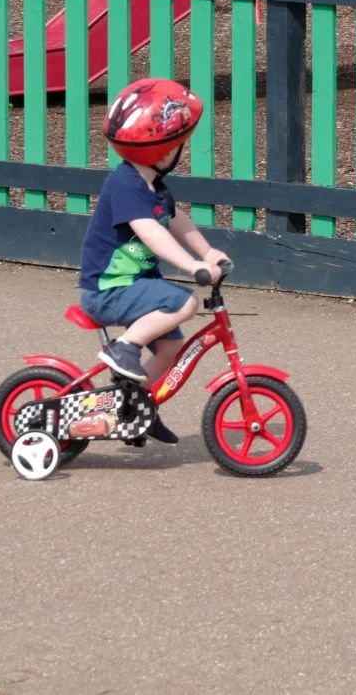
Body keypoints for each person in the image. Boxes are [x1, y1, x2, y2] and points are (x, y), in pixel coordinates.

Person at [77, 78, 231, 444]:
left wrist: (207, 253)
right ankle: (125, 348)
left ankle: (135, 409)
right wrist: (192, 267)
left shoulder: (153, 187)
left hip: (135, 288)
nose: (183, 150)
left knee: (171, 348)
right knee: (184, 302)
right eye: (181, 144)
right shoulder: (126, 185)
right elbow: (151, 232)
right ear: (162, 151)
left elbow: (175, 220)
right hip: (108, 291)